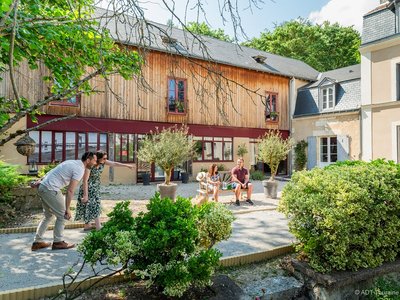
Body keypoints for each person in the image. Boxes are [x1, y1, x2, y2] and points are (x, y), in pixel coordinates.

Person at [31, 151, 97, 251]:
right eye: (94, 161)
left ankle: (37, 242)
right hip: (51, 189)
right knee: (62, 215)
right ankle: (58, 242)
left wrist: (40, 181)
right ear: (88, 160)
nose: (95, 163)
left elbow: (52, 171)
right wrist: (68, 209)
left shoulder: (72, 162)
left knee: (48, 216)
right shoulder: (79, 169)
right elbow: (70, 190)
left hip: (43, 187)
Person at [75, 150, 134, 231]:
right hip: (88, 187)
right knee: (95, 204)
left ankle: (87, 225)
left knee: (90, 205)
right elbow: (85, 180)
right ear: (98, 158)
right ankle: (98, 226)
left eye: (106, 158)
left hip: (96, 186)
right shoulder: (90, 165)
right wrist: (85, 195)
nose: (105, 160)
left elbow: (114, 163)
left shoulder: (103, 162)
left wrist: (127, 165)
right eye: (104, 158)